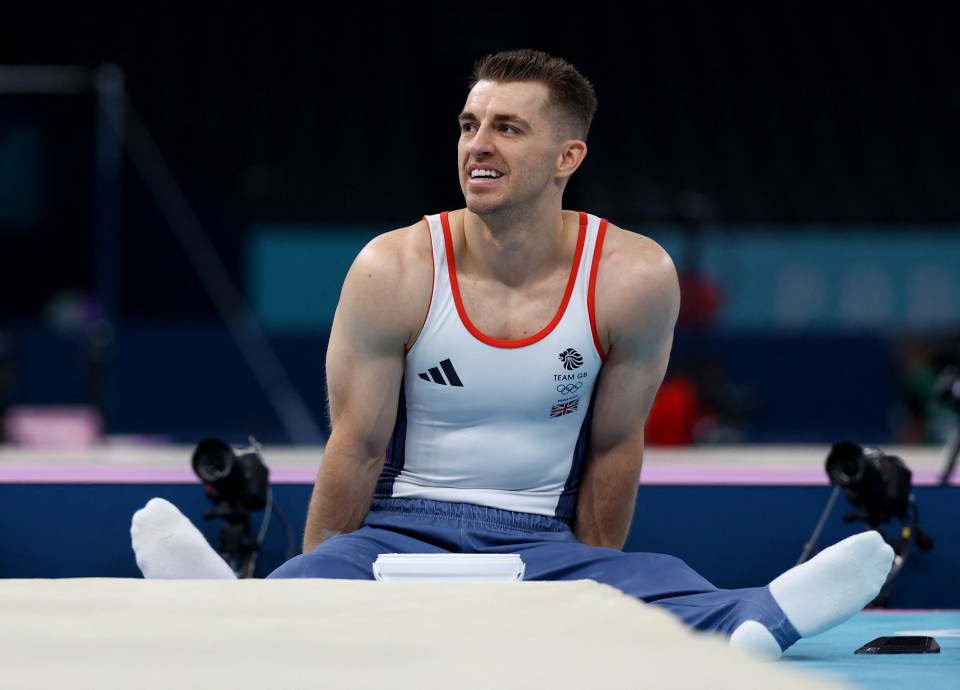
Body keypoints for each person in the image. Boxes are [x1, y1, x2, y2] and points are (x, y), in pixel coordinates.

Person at [131, 49, 893, 660]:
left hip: (543, 539)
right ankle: (248, 611)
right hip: (398, 529)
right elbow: (356, 447)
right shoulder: (393, 270)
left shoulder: (632, 278)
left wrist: (587, 599)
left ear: (568, 156)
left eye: (506, 128)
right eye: (468, 124)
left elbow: (616, 445)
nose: (477, 145)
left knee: (661, 584)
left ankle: (761, 619)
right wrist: (319, 588)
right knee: (309, 584)